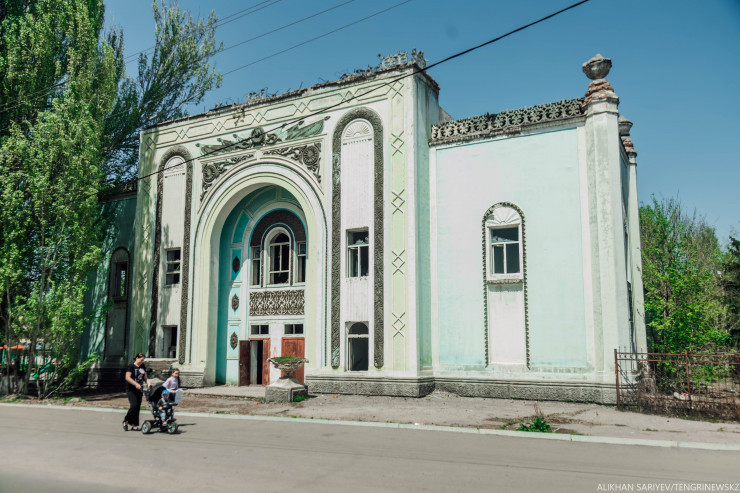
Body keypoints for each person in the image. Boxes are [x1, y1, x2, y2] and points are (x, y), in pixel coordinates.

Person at [123, 353, 150, 431]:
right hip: (131, 388)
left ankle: (134, 424)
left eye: (143, 360)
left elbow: (145, 377)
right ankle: (126, 420)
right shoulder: (131, 366)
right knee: (134, 405)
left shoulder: (142, 366)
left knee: (137, 407)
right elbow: (127, 377)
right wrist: (135, 384)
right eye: (141, 360)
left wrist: (148, 382)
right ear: (136, 358)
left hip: (139, 389)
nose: (142, 361)